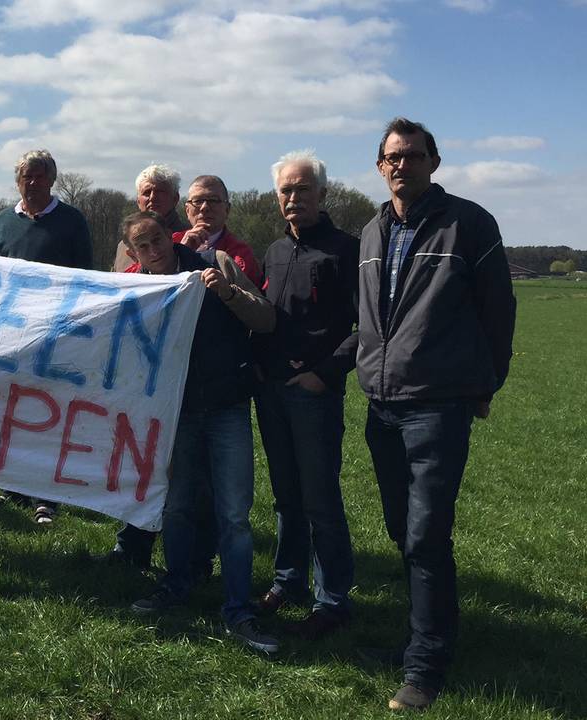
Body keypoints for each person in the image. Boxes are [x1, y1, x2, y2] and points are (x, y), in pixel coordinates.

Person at [357, 118, 516, 712]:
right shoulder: (371, 231)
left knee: (426, 535)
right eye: (392, 157)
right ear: (380, 166)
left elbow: (498, 309)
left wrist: (487, 382)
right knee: (402, 530)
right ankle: (425, 633)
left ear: (434, 162)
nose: (402, 165)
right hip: (381, 405)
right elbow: (367, 314)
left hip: (438, 404)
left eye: (414, 156)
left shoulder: (469, 224)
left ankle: (425, 665)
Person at [118, 211, 280, 655]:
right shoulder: (136, 289)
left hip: (226, 407)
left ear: (169, 237)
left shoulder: (215, 263)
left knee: (234, 513)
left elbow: (266, 319)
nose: (154, 250)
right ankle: (176, 584)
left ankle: (238, 608)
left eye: (158, 240)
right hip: (175, 414)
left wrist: (227, 292)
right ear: (133, 254)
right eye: (143, 246)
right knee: (177, 506)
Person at [253, 150, 357, 640]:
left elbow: (367, 326)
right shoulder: (275, 250)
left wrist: (325, 373)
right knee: (285, 496)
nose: (292, 198)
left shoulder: (346, 249)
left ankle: (332, 600)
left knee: (320, 498)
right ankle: (288, 580)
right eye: (285, 191)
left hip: (314, 392)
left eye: (302, 189)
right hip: (271, 389)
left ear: (322, 194)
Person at [0, 149, 94, 524]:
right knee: (11, 412)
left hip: (54, 337)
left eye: (39, 176)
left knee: (48, 415)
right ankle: (11, 488)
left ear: (52, 179)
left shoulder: (72, 221)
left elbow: (86, 277)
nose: (32, 182)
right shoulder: (3, 221)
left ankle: (46, 496)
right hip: (11, 336)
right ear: (17, 182)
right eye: (26, 176)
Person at [177, 175, 262, 286]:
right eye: (197, 201)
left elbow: (248, 295)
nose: (204, 207)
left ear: (227, 209)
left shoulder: (240, 255)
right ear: (187, 210)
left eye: (213, 200)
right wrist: (181, 253)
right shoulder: (169, 243)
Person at [112, 163, 192, 272]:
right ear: (138, 201)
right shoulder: (123, 247)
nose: (153, 197)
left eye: (160, 192)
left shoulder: (194, 238)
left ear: (175, 198)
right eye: (146, 192)